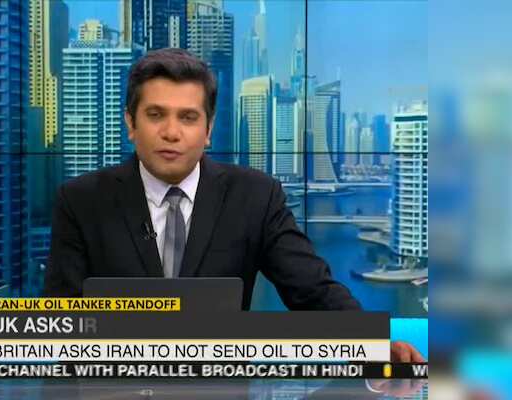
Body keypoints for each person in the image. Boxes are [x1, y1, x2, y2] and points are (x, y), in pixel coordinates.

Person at [45, 48, 423, 363]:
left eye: (188, 118)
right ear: (131, 124)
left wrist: (372, 344)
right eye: (156, 115)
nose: (171, 132)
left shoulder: (255, 196)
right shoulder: (81, 201)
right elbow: (61, 324)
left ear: (208, 130)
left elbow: (312, 290)